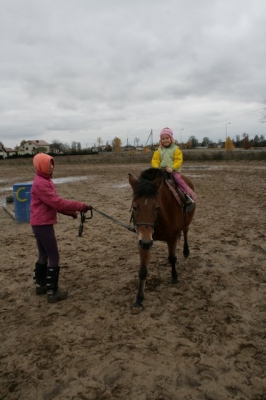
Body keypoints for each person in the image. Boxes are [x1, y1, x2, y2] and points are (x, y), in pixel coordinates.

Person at [30, 153, 92, 303]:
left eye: (52, 164)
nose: (51, 167)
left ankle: (41, 285)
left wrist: (70, 213)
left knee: (44, 255)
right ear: (41, 166)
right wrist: (81, 206)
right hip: (43, 225)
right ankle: (52, 292)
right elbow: (57, 202)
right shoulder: (41, 183)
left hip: (39, 224)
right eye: (48, 164)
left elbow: (52, 204)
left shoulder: (44, 181)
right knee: (54, 256)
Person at [151, 127, 195, 212]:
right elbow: (155, 160)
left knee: (178, 179)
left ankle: (187, 195)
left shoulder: (176, 149)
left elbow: (178, 160)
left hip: (173, 171)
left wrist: (172, 167)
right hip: (161, 171)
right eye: (163, 138)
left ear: (171, 138)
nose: (165, 140)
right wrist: (156, 168)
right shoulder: (158, 150)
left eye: (167, 138)